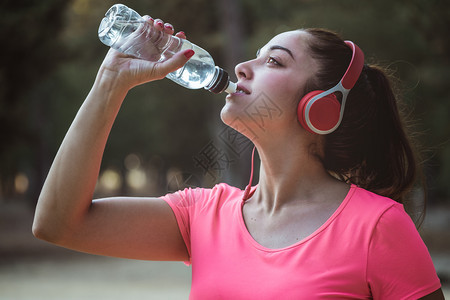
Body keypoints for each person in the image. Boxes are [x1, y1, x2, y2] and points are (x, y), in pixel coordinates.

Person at [33, 15, 444, 299]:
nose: (243, 67)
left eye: (274, 61)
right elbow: (58, 224)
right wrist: (110, 82)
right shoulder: (203, 214)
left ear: (321, 107)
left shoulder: (378, 227)